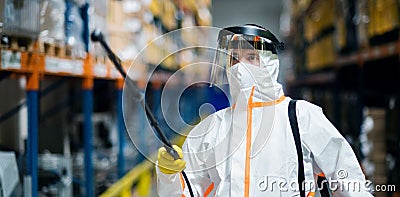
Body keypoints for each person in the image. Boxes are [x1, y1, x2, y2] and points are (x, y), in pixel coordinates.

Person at [156, 24, 373, 197]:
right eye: (234, 59)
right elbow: (187, 191)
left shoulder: (301, 118)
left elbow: (349, 183)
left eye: (251, 58)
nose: (240, 67)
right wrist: (168, 175)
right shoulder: (211, 129)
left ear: (270, 64)